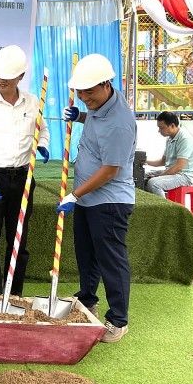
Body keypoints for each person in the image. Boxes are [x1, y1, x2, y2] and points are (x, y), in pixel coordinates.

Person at [57, 53, 136, 343]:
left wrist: (74, 194)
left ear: (106, 85)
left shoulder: (119, 121)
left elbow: (110, 171)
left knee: (111, 259)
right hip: (89, 199)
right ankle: (87, 298)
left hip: (109, 201)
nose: (84, 97)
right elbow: (95, 119)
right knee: (86, 253)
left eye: (89, 92)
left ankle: (118, 320)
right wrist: (80, 116)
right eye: (80, 91)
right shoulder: (101, 106)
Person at [0, 45, 50, 298]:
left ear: (21, 77)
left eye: (7, 76)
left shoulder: (33, 102)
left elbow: (43, 131)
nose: (1, 81)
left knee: (18, 241)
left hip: (23, 178)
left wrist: (44, 145)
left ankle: (13, 295)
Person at [144, 111, 193, 197]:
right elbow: (163, 161)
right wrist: (144, 161)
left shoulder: (185, 140)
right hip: (173, 172)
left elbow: (179, 167)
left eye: (161, 128)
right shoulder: (170, 139)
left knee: (153, 183)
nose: (159, 131)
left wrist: (159, 176)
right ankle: (152, 206)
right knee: (142, 177)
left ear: (172, 126)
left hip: (184, 176)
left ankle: (165, 209)